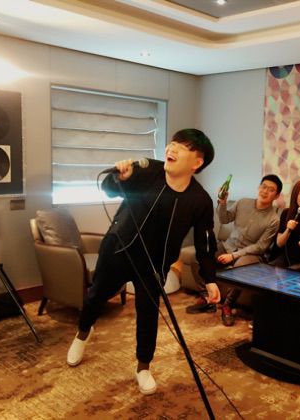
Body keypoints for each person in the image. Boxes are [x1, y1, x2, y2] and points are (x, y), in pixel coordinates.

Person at [66, 129, 221, 395]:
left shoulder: (200, 200)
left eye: (182, 146)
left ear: (197, 162)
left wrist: (210, 278)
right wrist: (119, 177)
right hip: (119, 250)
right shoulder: (146, 171)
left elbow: (205, 242)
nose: (171, 148)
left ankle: (143, 367)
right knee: (95, 296)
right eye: (172, 143)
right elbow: (109, 189)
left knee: (148, 314)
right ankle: (82, 333)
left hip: (153, 263)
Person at [186, 174, 282, 328]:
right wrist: (222, 203)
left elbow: (261, 247)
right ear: (259, 187)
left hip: (251, 254)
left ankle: (227, 305)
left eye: (271, 190)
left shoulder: (274, 220)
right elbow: (224, 219)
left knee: (240, 269)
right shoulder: (243, 202)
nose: (265, 191)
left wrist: (233, 256)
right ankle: (207, 298)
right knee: (197, 257)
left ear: (276, 196)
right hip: (228, 245)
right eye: (264, 186)